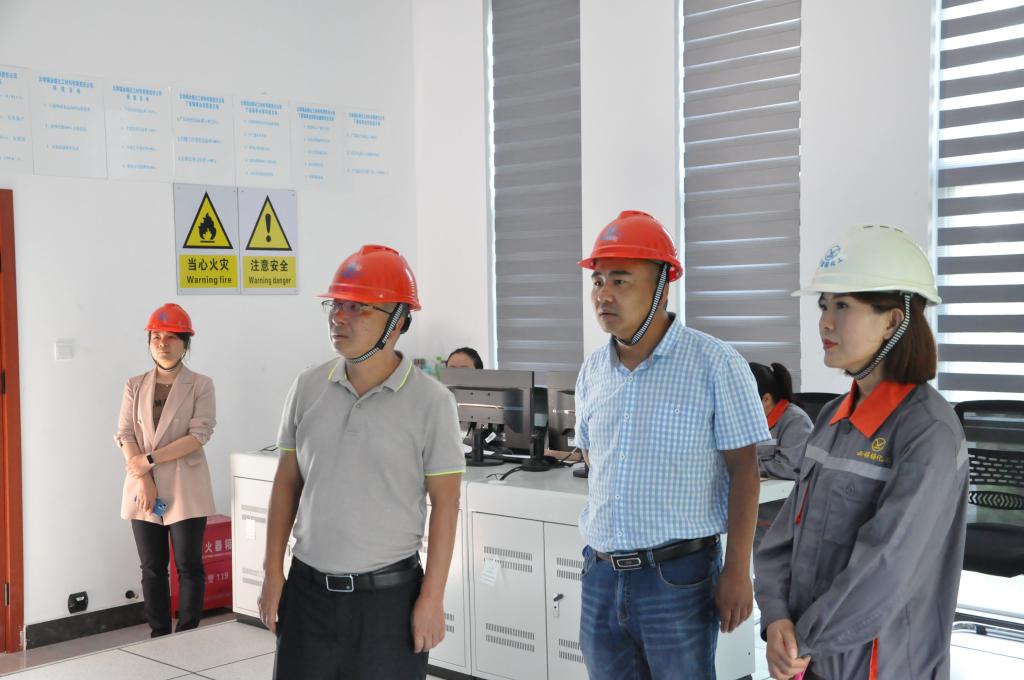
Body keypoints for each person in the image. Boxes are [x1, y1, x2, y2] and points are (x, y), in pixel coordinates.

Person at [754, 225, 969, 680]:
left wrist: (799, 642)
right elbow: (781, 540)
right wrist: (775, 619)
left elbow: (886, 569)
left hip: (878, 667)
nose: (825, 322)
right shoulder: (832, 418)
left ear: (893, 321)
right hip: (809, 660)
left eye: (843, 306)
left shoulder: (927, 432)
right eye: (823, 305)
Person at [574, 210, 771, 679]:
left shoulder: (715, 363)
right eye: (598, 280)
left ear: (663, 286)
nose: (603, 294)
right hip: (600, 574)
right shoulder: (593, 371)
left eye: (620, 280)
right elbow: (592, 458)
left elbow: (745, 473)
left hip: (678, 576)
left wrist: (738, 570)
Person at [258, 244, 465, 680]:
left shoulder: (432, 402)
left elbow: (446, 505)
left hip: (388, 603)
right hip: (308, 595)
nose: (339, 316)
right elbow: (287, 483)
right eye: (335, 304)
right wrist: (272, 573)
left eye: (357, 307)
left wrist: (432, 598)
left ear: (398, 320)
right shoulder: (307, 387)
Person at [115, 303, 217, 637]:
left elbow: (198, 435)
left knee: (188, 565)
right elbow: (125, 434)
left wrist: (149, 460)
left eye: (171, 337)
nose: (163, 343)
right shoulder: (135, 384)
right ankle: (158, 634)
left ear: (185, 343)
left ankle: (188, 633)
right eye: (156, 337)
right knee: (152, 567)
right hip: (143, 485)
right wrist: (144, 478)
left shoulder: (201, 384)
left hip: (186, 484)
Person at [749, 362, 813, 481]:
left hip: (784, 491)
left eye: (744, 400)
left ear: (766, 399)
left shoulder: (796, 421)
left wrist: (743, 466)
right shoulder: (747, 420)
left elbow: (788, 468)